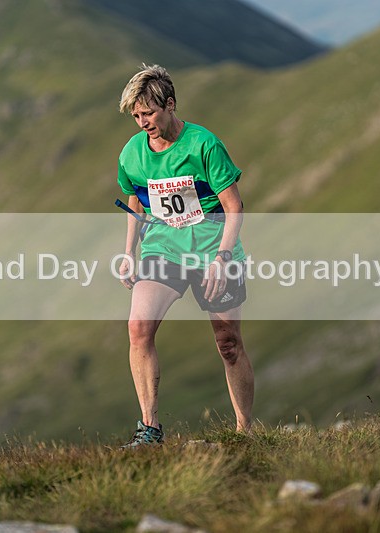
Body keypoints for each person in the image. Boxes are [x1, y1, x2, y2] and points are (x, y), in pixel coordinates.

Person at [116, 64, 254, 447]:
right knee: (138, 328)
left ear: (171, 105)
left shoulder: (204, 144)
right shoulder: (132, 153)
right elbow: (135, 199)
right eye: (137, 116)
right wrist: (129, 251)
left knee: (228, 344)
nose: (143, 122)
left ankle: (245, 432)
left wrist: (223, 258)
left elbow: (235, 206)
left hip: (214, 249)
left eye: (149, 113)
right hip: (164, 248)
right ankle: (150, 430)